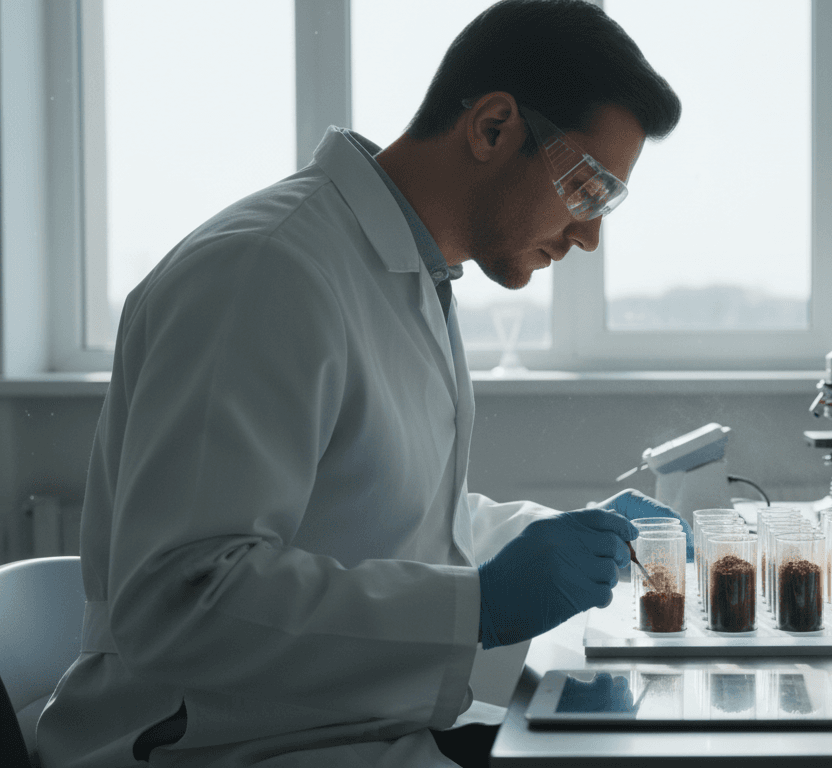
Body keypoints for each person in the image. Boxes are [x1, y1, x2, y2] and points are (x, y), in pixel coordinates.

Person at [36, 2, 683, 766]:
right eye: (586, 187)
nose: (589, 233)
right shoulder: (266, 270)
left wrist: (571, 539)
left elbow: (386, 516)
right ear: (493, 127)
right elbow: (182, 600)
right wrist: (483, 604)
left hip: (343, 728)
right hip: (219, 747)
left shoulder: (403, 277)